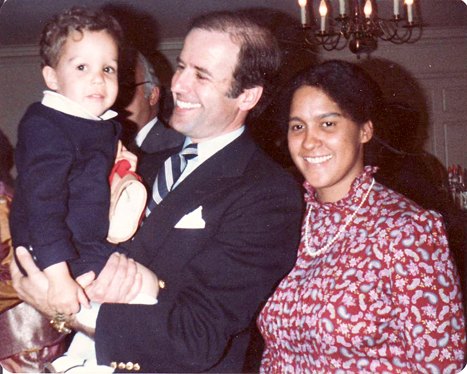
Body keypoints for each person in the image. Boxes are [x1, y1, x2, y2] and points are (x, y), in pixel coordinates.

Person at [10, 10, 303, 373]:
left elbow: (197, 338)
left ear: (246, 96)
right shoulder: (141, 163)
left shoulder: (267, 194)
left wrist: (67, 310)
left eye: (201, 75)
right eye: (181, 66)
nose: (178, 84)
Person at [257, 60, 466, 372]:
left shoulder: (407, 229)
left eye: (328, 123)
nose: (309, 141)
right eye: (297, 126)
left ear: (365, 130)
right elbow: (275, 354)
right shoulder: (283, 219)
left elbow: (443, 363)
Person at [8, 6, 159, 373]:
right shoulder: (48, 124)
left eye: (107, 69)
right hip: (56, 251)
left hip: (81, 244)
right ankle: (82, 363)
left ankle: (81, 358)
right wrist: (59, 277)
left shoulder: (97, 126)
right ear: (52, 77)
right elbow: (43, 205)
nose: (98, 80)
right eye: (81, 68)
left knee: (140, 295)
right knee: (147, 295)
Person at [116, 48, 184, 153]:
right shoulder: (104, 146)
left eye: (126, 89)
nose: (116, 99)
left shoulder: (179, 146)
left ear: (153, 95)